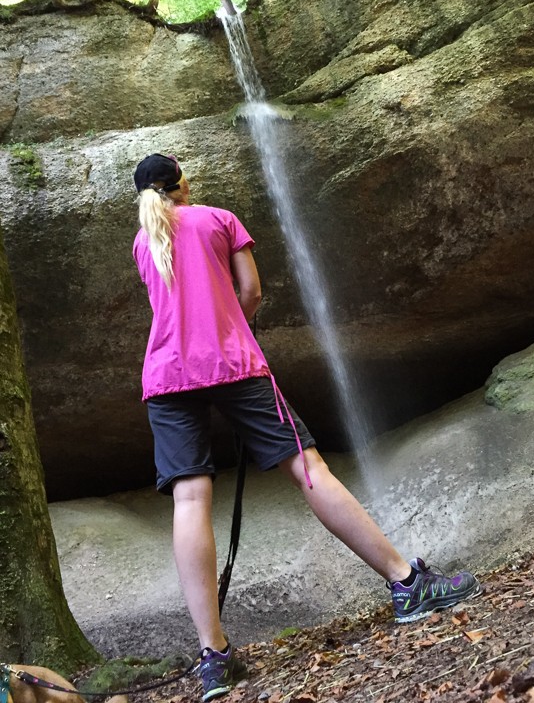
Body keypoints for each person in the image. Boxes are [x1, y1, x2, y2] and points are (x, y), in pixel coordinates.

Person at [132, 153, 482, 702]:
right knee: (307, 466)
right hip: (232, 364)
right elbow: (250, 293)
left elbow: (167, 306)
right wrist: (231, 329)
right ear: (184, 184)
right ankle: (406, 584)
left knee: (189, 501)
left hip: (166, 376)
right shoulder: (219, 219)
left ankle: (214, 658)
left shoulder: (143, 239)